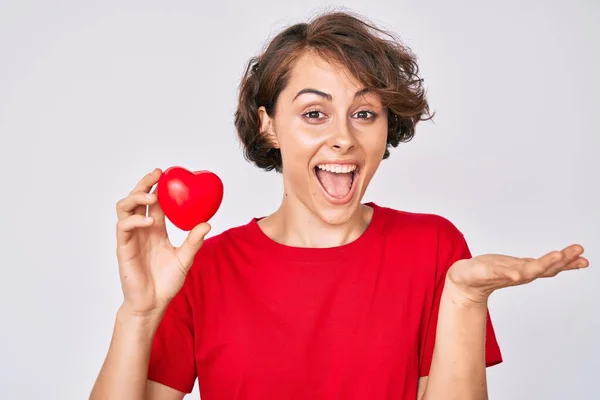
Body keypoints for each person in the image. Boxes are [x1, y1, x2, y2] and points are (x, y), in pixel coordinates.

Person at [89, 10, 589, 400]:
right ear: (269, 125)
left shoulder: (434, 248)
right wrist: (139, 313)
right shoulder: (205, 268)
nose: (343, 138)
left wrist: (464, 299)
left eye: (364, 113)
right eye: (314, 113)